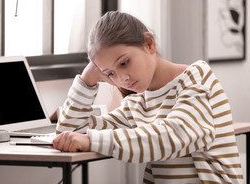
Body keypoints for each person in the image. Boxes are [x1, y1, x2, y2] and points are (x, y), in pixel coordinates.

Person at [53, 11, 243, 183]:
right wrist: (88, 78)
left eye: (124, 63)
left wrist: (92, 141)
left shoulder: (197, 79)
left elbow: (174, 135)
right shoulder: (137, 104)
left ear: (149, 44)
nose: (122, 78)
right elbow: (70, 133)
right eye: (110, 74)